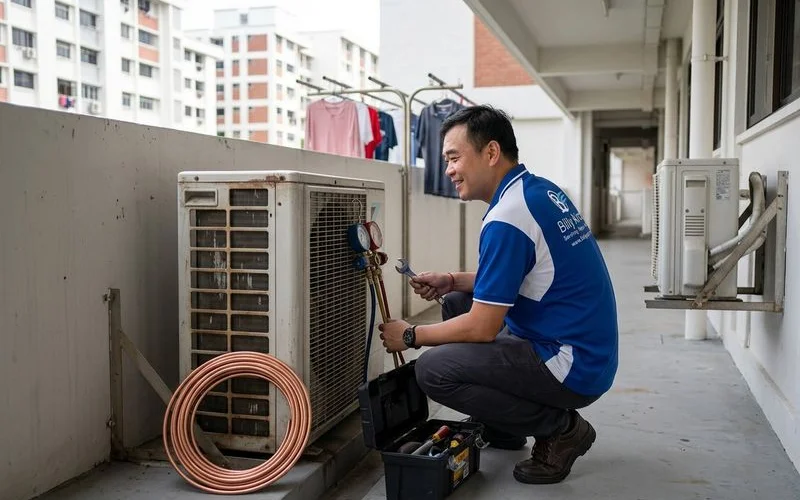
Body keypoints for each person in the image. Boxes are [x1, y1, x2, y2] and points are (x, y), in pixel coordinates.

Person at [378, 105, 618, 485]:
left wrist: (410, 335)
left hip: (571, 364)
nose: (449, 170)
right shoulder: (537, 191)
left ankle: (561, 429)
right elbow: (529, 274)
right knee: (457, 302)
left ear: (491, 153)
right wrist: (452, 280)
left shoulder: (508, 217)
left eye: (454, 158)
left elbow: (483, 328)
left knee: (433, 370)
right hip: (587, 347)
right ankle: (505, 424)